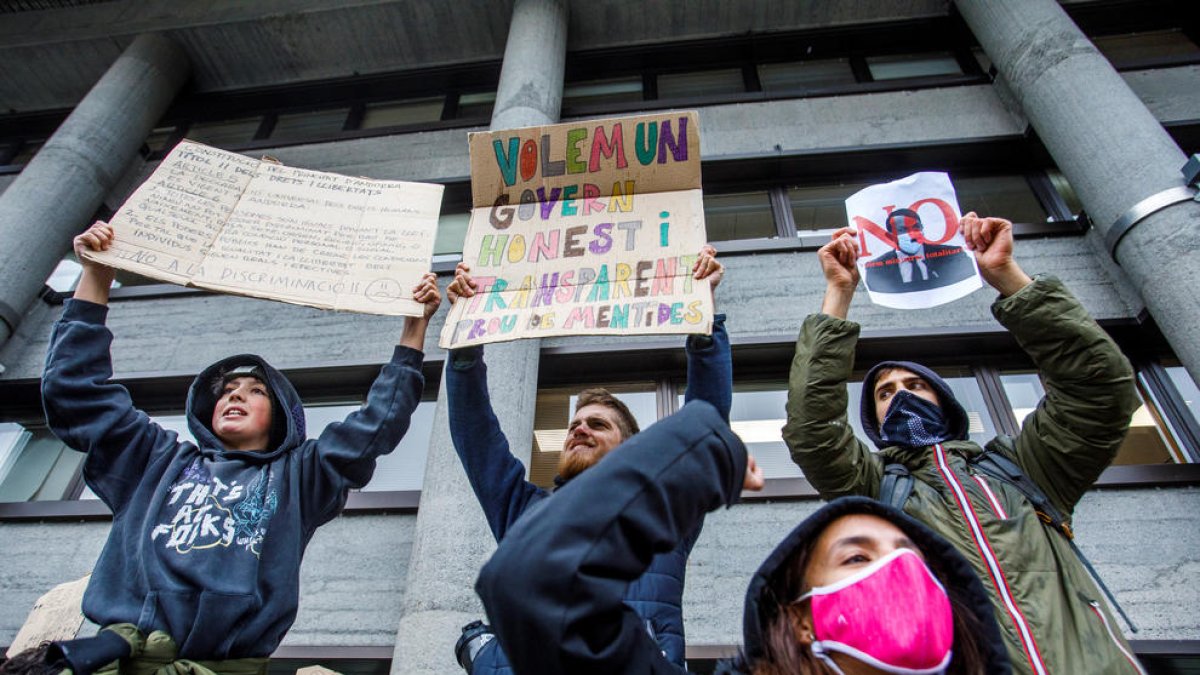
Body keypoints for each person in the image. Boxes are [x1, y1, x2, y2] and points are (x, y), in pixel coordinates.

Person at [37, 221, 441, 675]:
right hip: (115, 661)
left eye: (255, 391)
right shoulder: (155, 459)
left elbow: (375, 426)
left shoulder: (300, 475)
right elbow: (76, 392)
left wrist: (412, 332)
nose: (234, 395)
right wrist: (96, 276)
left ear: (282, 413)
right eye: (227, 390)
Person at [784, 212, 1147, 674]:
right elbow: (812, 430)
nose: (900, 396)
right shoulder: (875, 491)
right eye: (885, 393)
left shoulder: (1025, 468)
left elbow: (1100, 388)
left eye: (915, 386)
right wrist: (839, 293)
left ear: (945, 401)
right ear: (873, 420)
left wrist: (1008, 278)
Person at [475, 401, 1010, 675]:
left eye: (911, 557)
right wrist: (704, 456)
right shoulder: (527, 506)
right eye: (857, 557)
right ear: (799, 618)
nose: (896, 573)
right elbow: (534, 584)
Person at [445, 245, 758, 673]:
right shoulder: (525, 511)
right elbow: (475, 437)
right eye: (575, 424)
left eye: (598, 424)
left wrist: (704, 320)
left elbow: (705, 423)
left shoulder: (659, 512)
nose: (579, 429)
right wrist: (465, 346)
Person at [862, 208, 975, 294]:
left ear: (922, 228)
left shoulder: (954, 256)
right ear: (890, 237)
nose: (912, 234)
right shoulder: (876, 269)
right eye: (903, 230)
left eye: (916, 227)